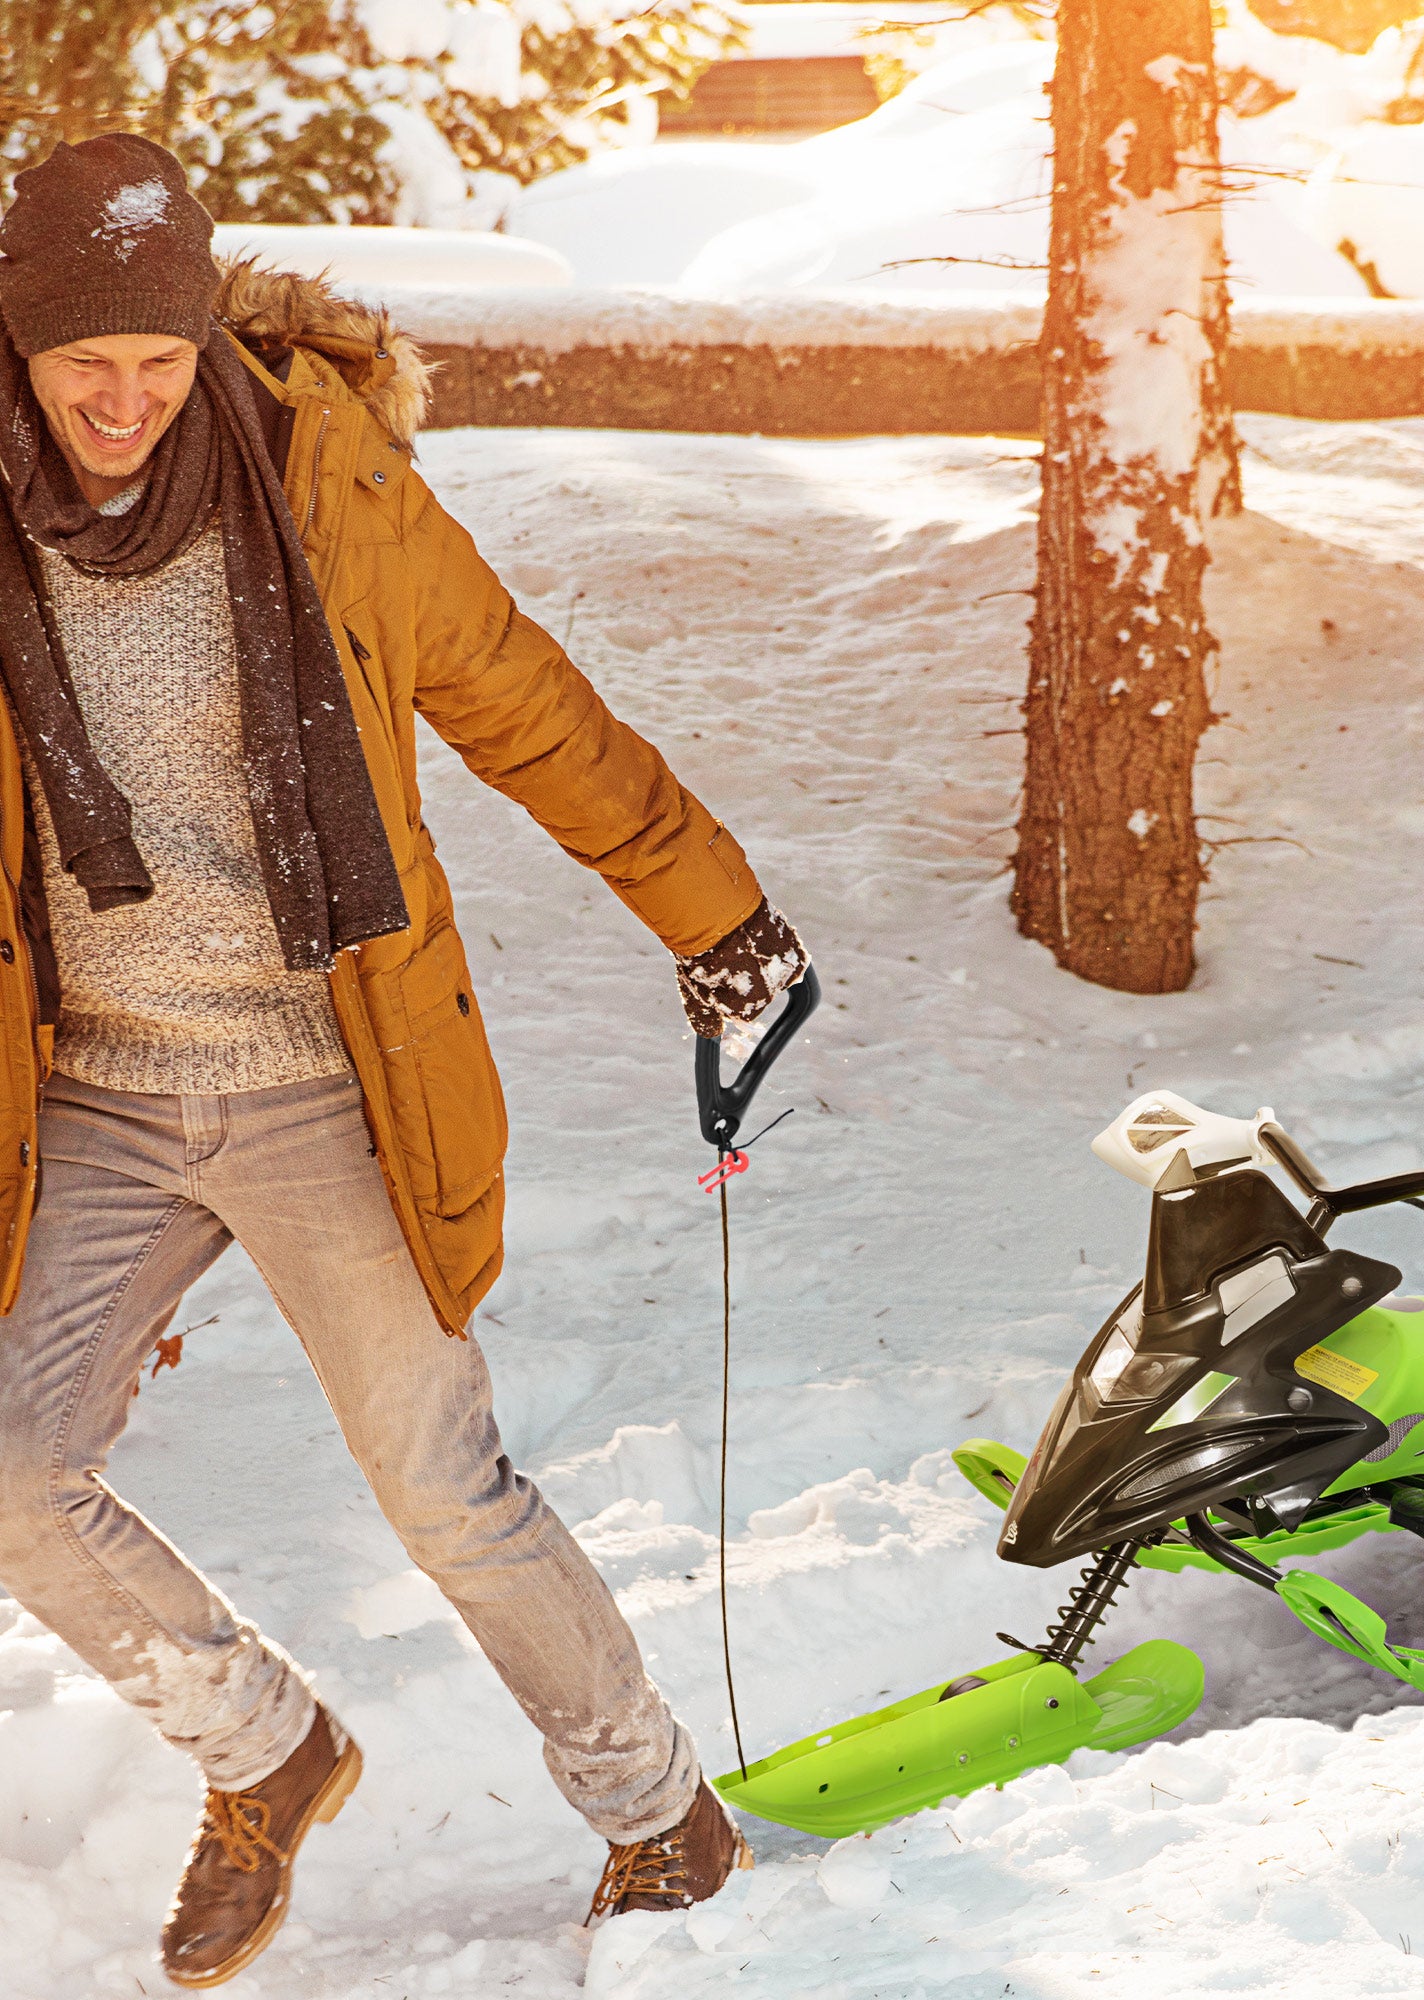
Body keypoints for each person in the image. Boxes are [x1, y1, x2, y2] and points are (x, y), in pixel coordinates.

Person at [0, 135, 807, 1988]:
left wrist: (715, 911)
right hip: (96, 1090)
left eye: (160, 359)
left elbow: (526, 703)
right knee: (8, 1460)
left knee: (442, 1481)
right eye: (79, 370)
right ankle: (266, 1752)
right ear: (20, 356)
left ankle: (656, 1814)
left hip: (323, 1074)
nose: (125, 404)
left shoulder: (324, 487)